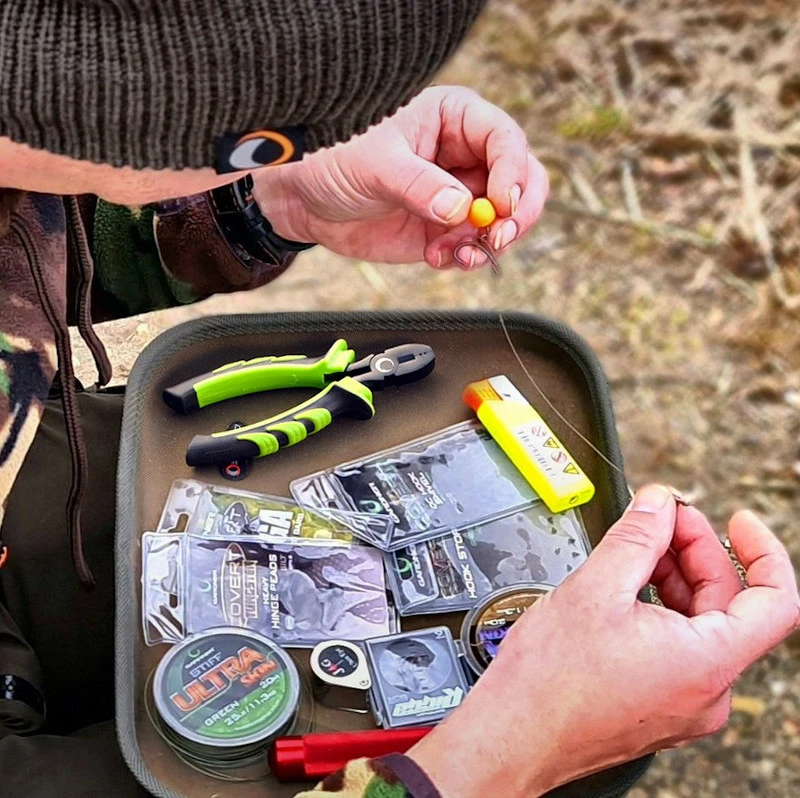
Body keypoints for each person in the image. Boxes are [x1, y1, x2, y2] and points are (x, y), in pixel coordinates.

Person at [0, 2, 797, 797]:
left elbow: (39, 214)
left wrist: (270, 197)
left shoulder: (40, 131)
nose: (326, 137)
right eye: (263, 134)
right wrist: (496, 760)